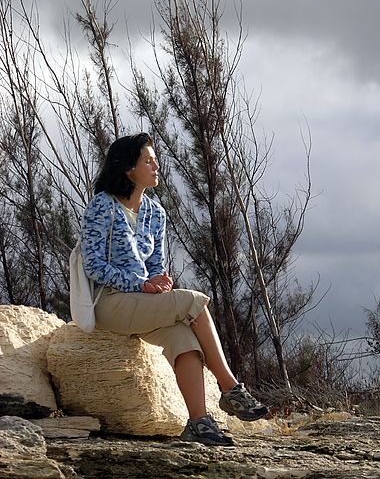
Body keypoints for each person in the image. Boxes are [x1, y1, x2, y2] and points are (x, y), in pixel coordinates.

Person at [80, 132, 268, 446]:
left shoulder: (156, 212)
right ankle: (230, 387)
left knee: (184, 340)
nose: (156, 166)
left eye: (155, 160)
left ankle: (198, 423)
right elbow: (93, 265)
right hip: (110, 302)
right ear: (129, 168)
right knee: (193, 301)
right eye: (148, 161)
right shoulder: (102, 207)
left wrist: (160, 282)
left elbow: (156, 265)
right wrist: (140, 283)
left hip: (143, 302)